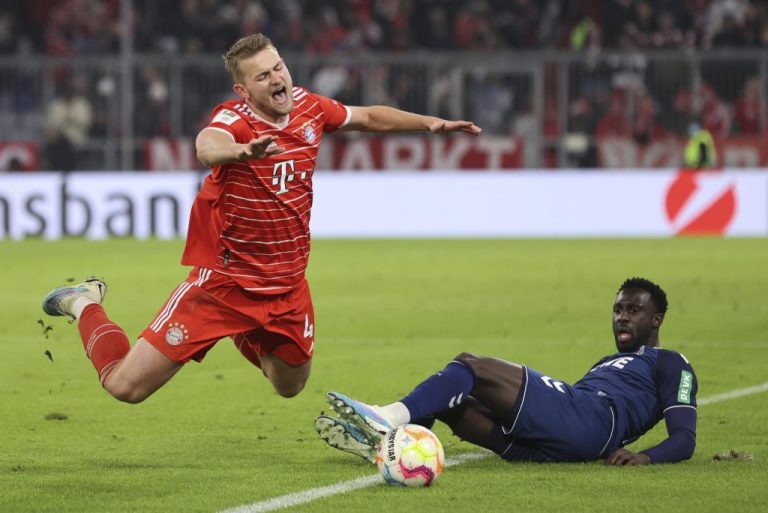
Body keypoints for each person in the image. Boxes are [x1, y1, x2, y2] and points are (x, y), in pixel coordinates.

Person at [41, 33, 481, 404]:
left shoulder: (310, 108)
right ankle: (84, 302)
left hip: (287, 286)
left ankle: (245, 333)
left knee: (289, 385)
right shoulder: (234, 120)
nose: (278, 79)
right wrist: (240, 152)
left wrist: (429, 123)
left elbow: (366, 117)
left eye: (279, 67)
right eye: (263, 75)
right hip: (225, 285)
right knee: (125, 387)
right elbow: (205, 145)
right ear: (244, 90)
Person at [316, 277, 698, 465]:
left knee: (470, 365)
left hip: (592, 418)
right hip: (557, 444)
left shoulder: (671, 363)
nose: (622, 317)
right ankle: (386, 450)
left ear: (657, 319)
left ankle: (385, 418)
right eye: (618, 309)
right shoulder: (605, 363)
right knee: (447, 401)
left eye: (633, 310)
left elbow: (684, 438)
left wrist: (646, 457)